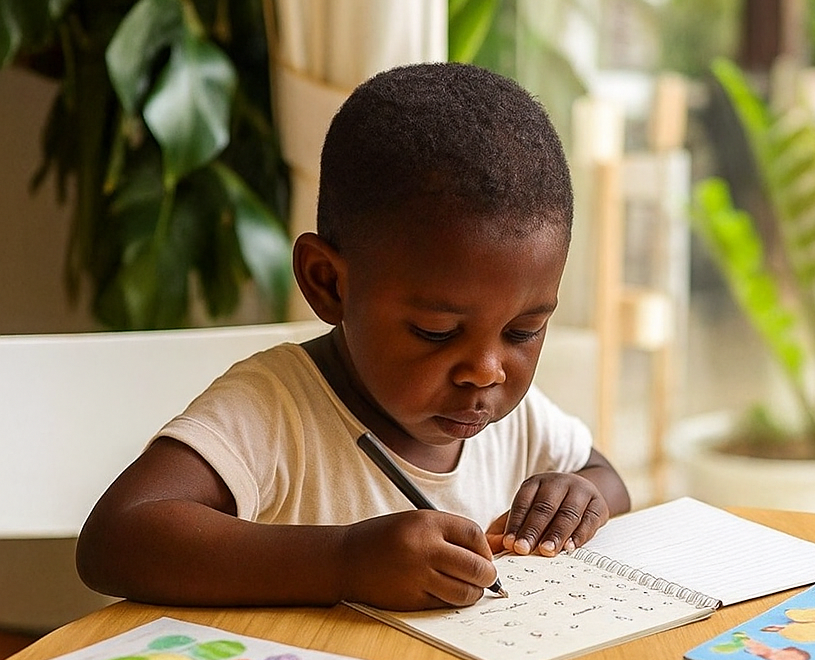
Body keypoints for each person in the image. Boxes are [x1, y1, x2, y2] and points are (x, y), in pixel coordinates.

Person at [76, 62, 630, 612]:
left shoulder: (513, 422)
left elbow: (603, 477)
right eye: (436, 331)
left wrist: (580, 498)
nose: (486, 370)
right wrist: (344, 560)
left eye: (524, 331)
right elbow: (117, 538)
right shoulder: (276, 408)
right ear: (329, 284)